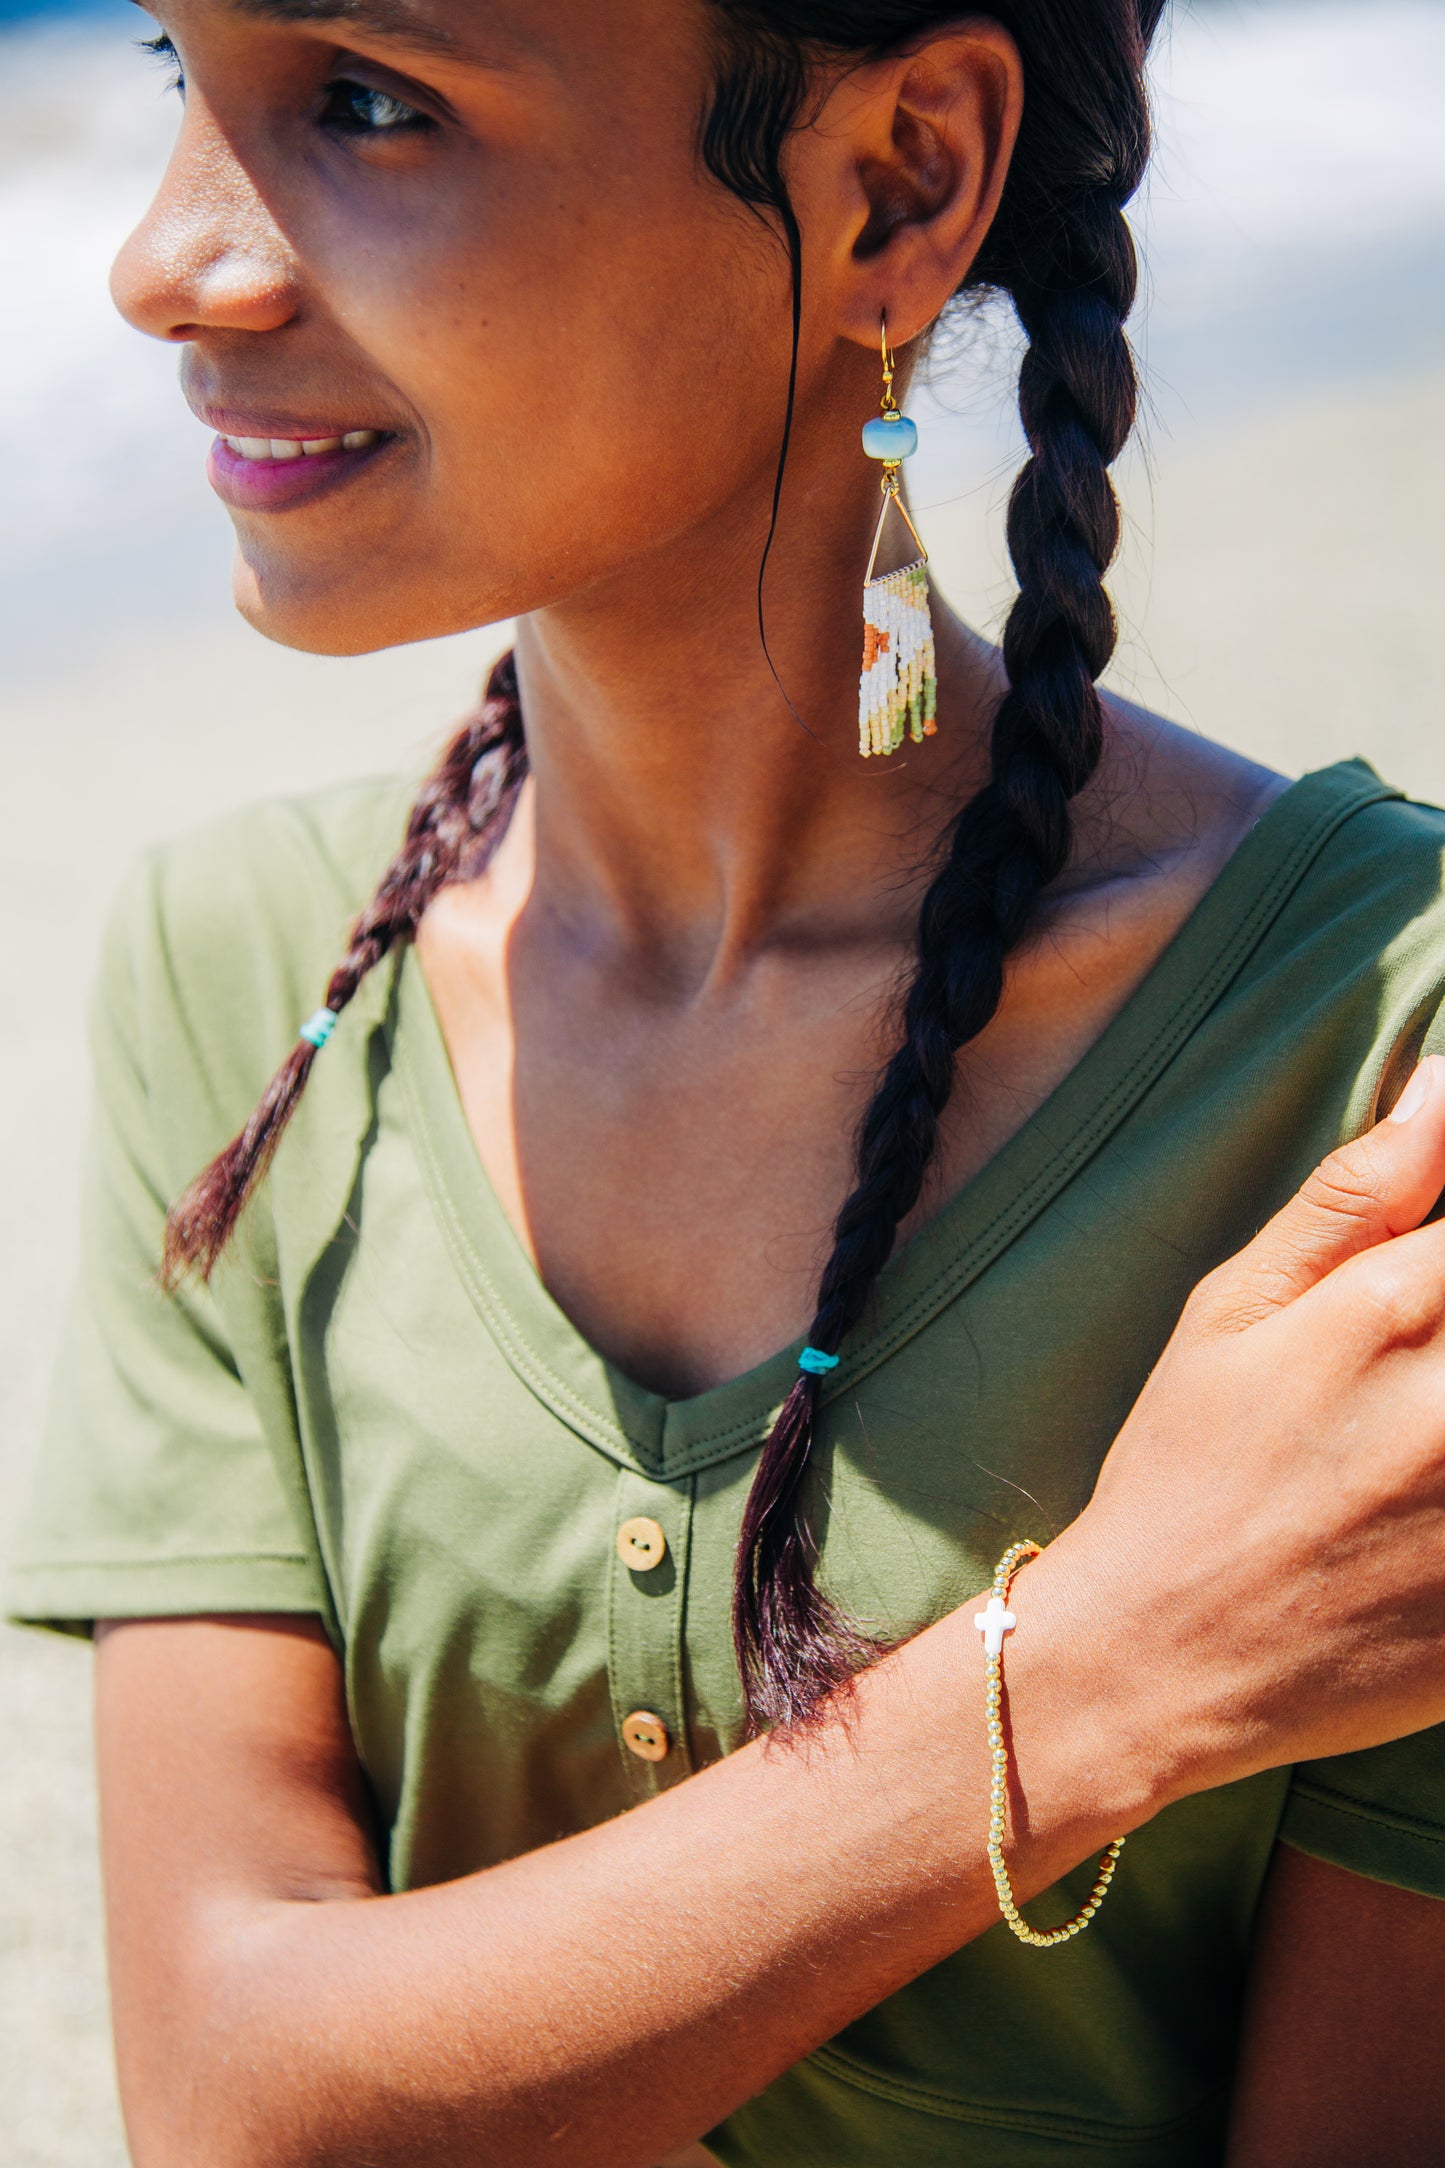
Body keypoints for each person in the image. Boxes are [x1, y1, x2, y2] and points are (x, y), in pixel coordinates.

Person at [9, 0, 1445, 2160]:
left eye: (371, 105)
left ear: (899, 184)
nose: (163, 262)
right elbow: (230, 2101)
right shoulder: (253, 985)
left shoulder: (1376, 1049)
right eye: (171, 83)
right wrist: (1098, 1677)